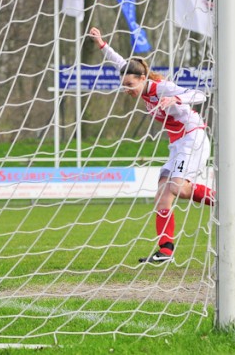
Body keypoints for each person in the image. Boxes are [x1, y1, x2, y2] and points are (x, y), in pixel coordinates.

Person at [89, 27, 215, 264]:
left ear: (142, 79)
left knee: (177, 188)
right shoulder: (139, 83)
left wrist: (175, 98)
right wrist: (102, 44)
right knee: (162, 194)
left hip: (193, 137)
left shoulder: (162, 88)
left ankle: (225, 201)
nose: (126, 89)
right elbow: (119, 63)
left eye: (129, 84)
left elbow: (200, 95)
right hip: (178, 143)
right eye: (124, 84)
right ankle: (166, 250)